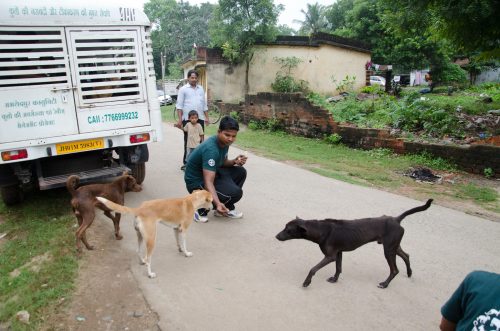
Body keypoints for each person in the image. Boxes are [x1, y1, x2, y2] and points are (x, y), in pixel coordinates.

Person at [184, 116, 247, 223]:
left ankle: (223, 208)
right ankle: (198, 208)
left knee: (240, 172)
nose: (230, 139)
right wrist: (217, 203)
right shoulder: (211, 149)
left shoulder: (224, 143)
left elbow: (222, 162)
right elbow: (208, 181)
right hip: (196, 181)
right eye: (227, 135)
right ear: (219, 132)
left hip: (211, 173)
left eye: (233, 136)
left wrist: (234, 161)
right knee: (236, 193)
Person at [176, 69, 209, 170]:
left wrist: (207, 117)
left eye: (195, 77)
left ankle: (198, 162)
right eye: (192, 77)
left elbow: (204, 105)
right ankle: (187, 163)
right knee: (188, 141)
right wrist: (180, 120)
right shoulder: (183, 89)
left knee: (200, 140)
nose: (194, 79)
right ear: (188, 78)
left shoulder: (201, 89)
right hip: (188, 119)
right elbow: (179, 106)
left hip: (200, 119)